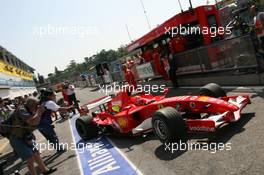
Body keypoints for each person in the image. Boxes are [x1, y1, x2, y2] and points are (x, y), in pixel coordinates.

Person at [8, 98, 57, 175]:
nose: (37, 107)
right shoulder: (22, 110)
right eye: (36, 105)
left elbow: (36, 122)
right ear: (31, 105)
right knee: (30, 157)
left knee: (36, 153)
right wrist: (39, 112)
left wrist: (39, 113)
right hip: (17, 138)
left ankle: (44, 170)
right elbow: (32, 122)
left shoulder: (29, 110)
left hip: (26, 136)